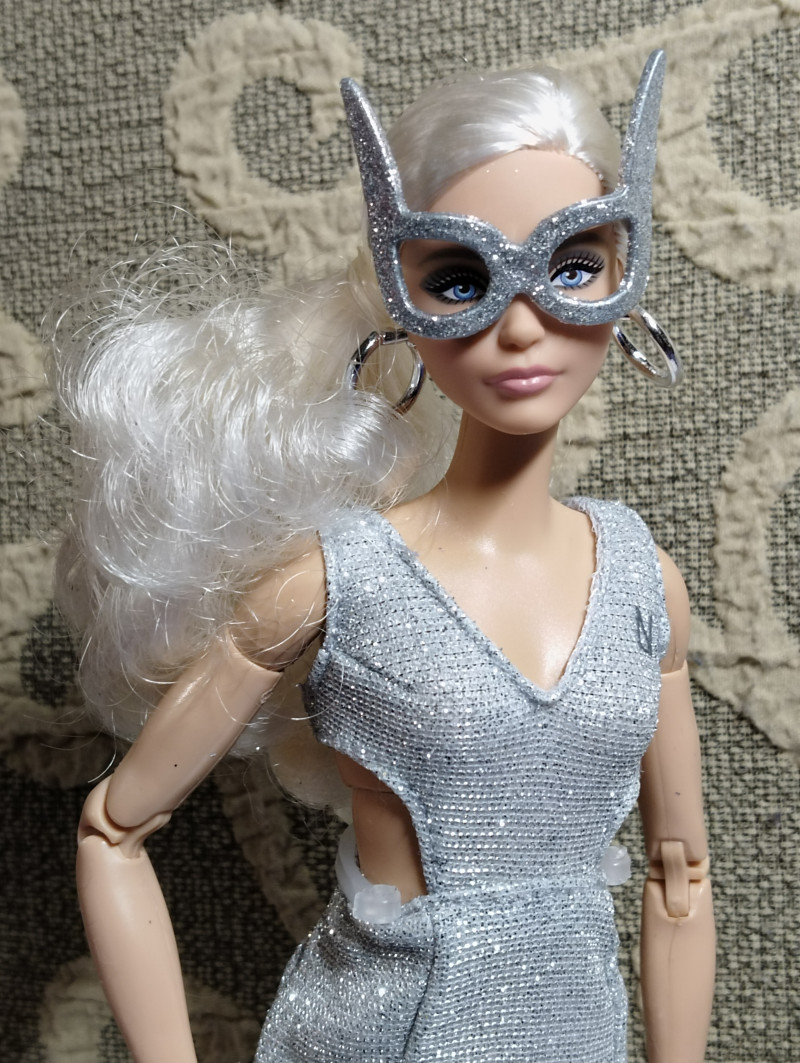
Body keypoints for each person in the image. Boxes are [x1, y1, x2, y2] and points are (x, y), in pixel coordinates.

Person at [58, 49, 714, 1063]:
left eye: (572, 265)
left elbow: (680, 874)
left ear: (626, 274)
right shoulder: (338, 582)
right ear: (400, 302)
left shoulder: (640, 582)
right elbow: (113, 829)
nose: (522, 324)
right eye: (460, 280)